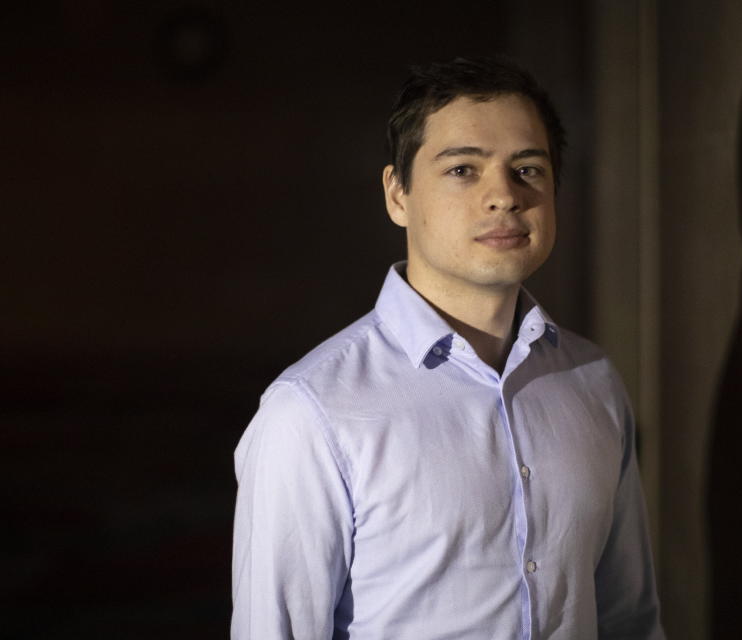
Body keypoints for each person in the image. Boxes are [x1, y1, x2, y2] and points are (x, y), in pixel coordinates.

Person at [231, 56, 665, 640]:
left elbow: (627, 619)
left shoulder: (592, 379)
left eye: (529, 170)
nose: (504, 197)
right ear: (397, 194)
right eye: (463, 169)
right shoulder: (311, 412)